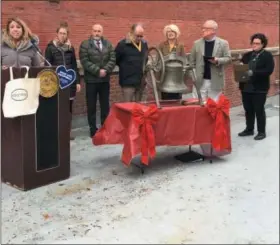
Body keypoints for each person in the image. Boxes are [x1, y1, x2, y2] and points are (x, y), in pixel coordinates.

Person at [45, 21, 81, 140]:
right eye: (60, 33)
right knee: (56, 109)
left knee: (68, 109)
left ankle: (67, 132)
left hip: (69, 83)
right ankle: (56, 132)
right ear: (57, 34)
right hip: (56, 83)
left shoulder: (70, 48)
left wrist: (78, 82)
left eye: (65, 33)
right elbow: (47, 67)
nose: (62, 35)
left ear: (67, 35)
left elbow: (75, 66)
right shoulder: (50, 48)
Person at [79, 24, 116, 138]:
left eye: (99, 31)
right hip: (91, 81)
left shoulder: (108, 44)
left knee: (105, 105)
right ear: (92, 31)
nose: (97, 33)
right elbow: (84, 60)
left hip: (104, 80)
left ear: (102, 32)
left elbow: (112, 58)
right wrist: (97, 71)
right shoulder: (85, 44)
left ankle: (105, 127)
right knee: (91, 106)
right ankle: (93, 129)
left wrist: (105, 69)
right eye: (95, 31)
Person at [238, 33, 275, 140]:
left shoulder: (267, 55)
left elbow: (269, 70)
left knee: (259, 109)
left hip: (260, 88)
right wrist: (240, 68)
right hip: (246, 87)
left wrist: (253, 72)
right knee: (248, 109)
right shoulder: (247, 55)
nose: (254, 45)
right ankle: (249, 129)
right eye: (253, 43)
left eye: (257, 43)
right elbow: (241, 69)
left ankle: (261, 132)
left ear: (263, 44)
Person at [189, 20, 231, 102]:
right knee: (198, 105)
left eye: (206, 28)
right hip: (200, 80)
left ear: (214, 30)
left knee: (214, 106)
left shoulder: (223, 43)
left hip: (215, 80)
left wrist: (218, 60)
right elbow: (191, 62)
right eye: (203, 28)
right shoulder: (196, 43)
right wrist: (193, 76)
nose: (203, 30)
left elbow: (228, 58)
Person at [115, 23, 149, 102]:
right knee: (128, 107)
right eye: (137, 36)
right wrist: (127, 68)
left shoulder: (144, 44)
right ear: (131, 33)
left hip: (140, 81)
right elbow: (116, 60)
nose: (139, 38)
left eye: (141, 36)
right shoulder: (122, 45)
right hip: (128, 82)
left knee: (140, 107)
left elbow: (146, 59)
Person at [158, 24, 186, 100]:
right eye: (168, 32)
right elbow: (158, 60)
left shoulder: (180, 45)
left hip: (176, 76)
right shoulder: (161, 45)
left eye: (172, 31)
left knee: (177, 97)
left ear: (176, 33)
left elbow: (184, 60)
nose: (170, 33)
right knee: (165, 97)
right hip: (165, 75)